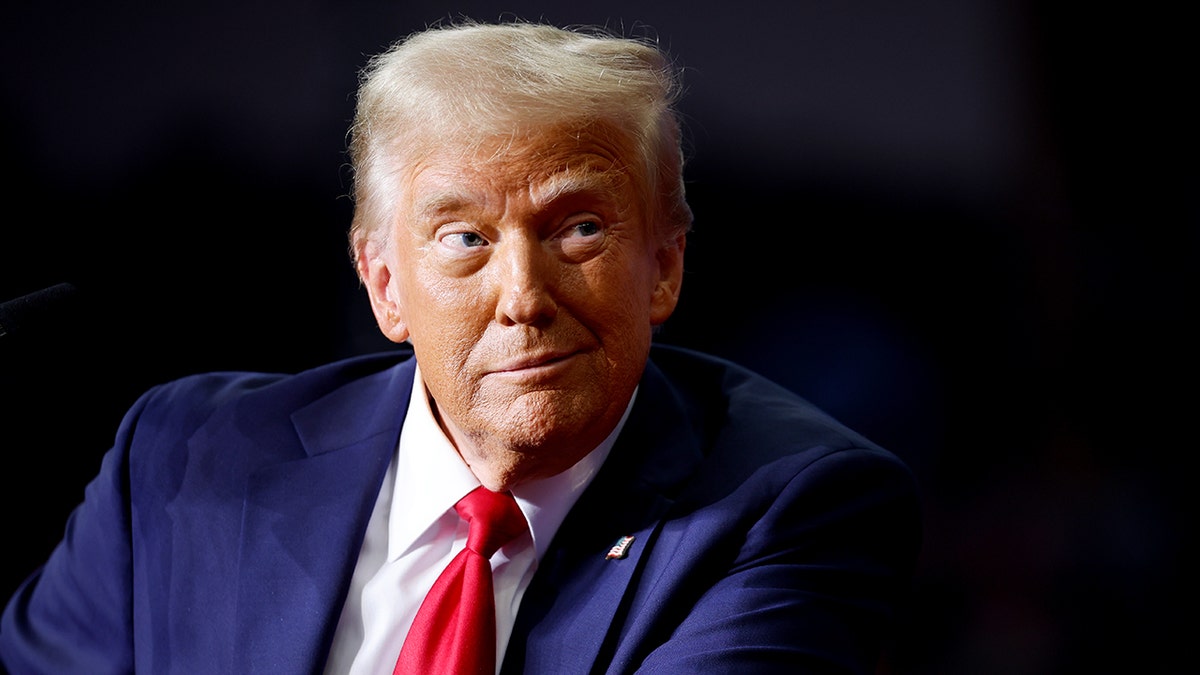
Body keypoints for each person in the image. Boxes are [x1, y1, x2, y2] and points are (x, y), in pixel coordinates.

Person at [0, 19, 920, 674]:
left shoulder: (794, 505)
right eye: (465, 238)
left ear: (665, 266)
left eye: (580, 228)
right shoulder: (178, 458)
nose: (522, 296)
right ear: (385, 284)